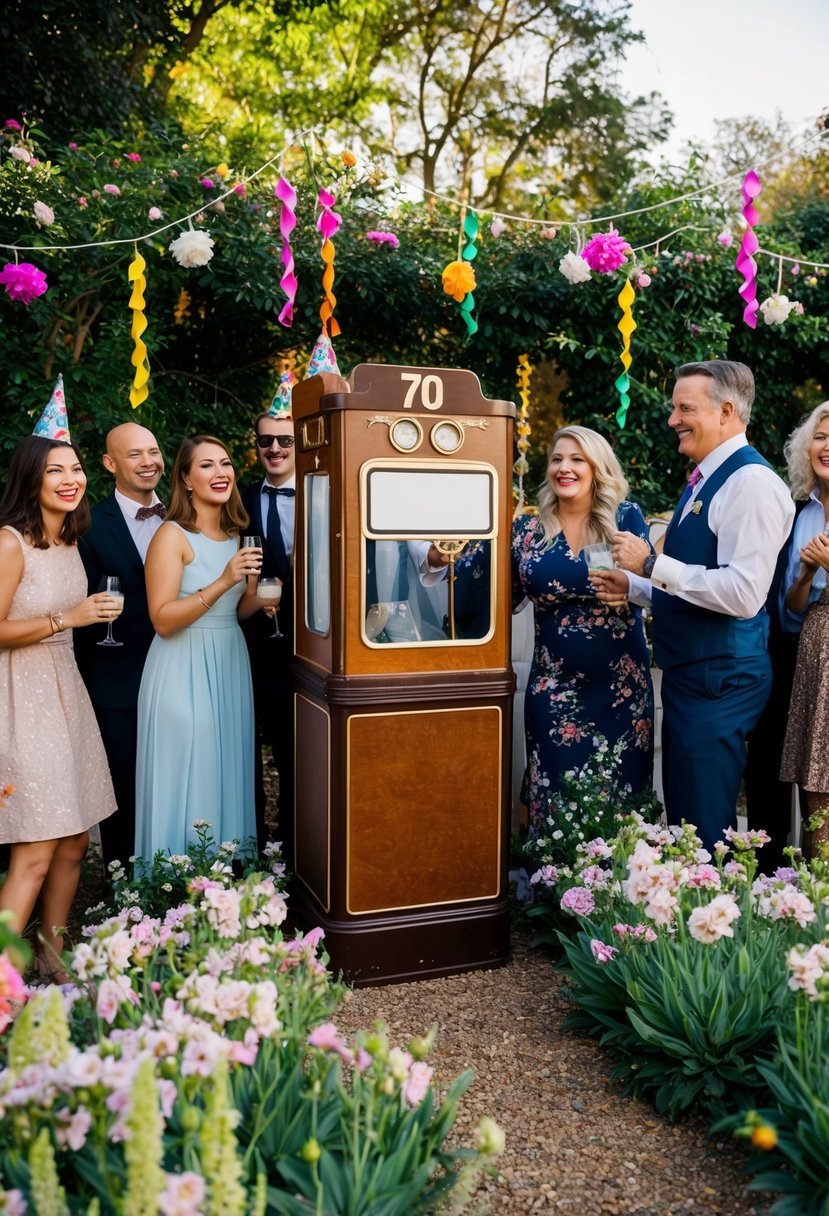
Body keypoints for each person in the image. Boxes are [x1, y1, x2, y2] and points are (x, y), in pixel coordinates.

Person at [594, 360, 795, 852]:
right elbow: (692, 581)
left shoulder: (751, 484)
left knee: (703, 827)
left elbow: (744, 593)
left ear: (727, 411)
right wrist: (636, 585)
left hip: (720, 677)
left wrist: (651, 564)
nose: (673, 419)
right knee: (686, 813)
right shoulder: (707, 478)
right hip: (696, 674)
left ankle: (716, 923)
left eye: (685, 408)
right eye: (674, 408)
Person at [0, 434, 116, 977]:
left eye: (76, 468)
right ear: (31, 480)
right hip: (21, 698)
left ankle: (53, 955)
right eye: (55, 471)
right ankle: (2, 978)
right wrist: (64, 620)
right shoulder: (9, 543)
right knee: (36, 846)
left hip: (67, 693)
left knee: (73, 841)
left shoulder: (70, 541)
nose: (71, 479)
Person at [511, 425, 654, 832]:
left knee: (620, 800)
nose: (564, 468)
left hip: (621, 692)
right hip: (553, 690)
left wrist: (629, 589)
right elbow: (488, 596)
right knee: (555, 793)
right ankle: (556, 891)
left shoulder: (625, 519)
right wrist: (439, 553)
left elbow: (655, 587)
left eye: (577, 459)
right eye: (557, 459)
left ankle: (617, 892)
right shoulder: (527, 531)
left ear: (597, 468)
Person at [134, 435, 261, 861]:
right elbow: (162, 620)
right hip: (182, 669)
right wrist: (225, 580)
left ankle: (225, 884)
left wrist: (257, 597)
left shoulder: (235, 534)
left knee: (225, 769)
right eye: (206, 466)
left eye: (225, 463)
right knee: (191, 770)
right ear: (186, 479)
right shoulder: (171, 536)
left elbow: (232, 614)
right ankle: (171, 888)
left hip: (229, 663)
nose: (220, 472)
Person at [74, 422, 165, 868]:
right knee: (122, 787)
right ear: (110, 464)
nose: (148, 462)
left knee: (174, 781)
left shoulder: (185, 515)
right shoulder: (88, 525)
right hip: (116, 678)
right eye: (135, 454)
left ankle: (183, 879)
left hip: (180, 670)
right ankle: (124, 888)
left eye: (153, 451)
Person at [240, 408, 296, 859]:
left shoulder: (328, 493)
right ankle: (252, 843)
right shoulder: (237, 499)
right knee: (243, 749)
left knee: (295, 751)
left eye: (286, 440)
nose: (275, 448)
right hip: (247, 642)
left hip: (307, 646)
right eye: (266, 440)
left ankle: (297, 845)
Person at [779, 401, 829, 857]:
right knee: (814, 771)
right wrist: (808, 575)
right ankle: (816, 890)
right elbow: (791, 611)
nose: (827, 446)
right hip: (814, 644)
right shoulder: (801, 512)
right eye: (821, 436)